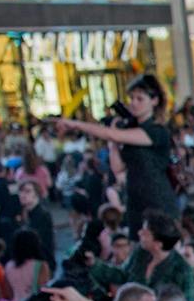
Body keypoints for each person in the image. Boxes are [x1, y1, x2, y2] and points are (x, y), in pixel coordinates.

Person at [55, 73, 177, 217]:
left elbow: (113, 134)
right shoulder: (130, 130)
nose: (134, 103)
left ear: (154, 101)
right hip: (135, 199)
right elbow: (118, 167)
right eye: (131, 98)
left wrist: (77, 124)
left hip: (157, 200)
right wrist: (113, 142)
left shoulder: (157, 131)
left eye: (140, 99)